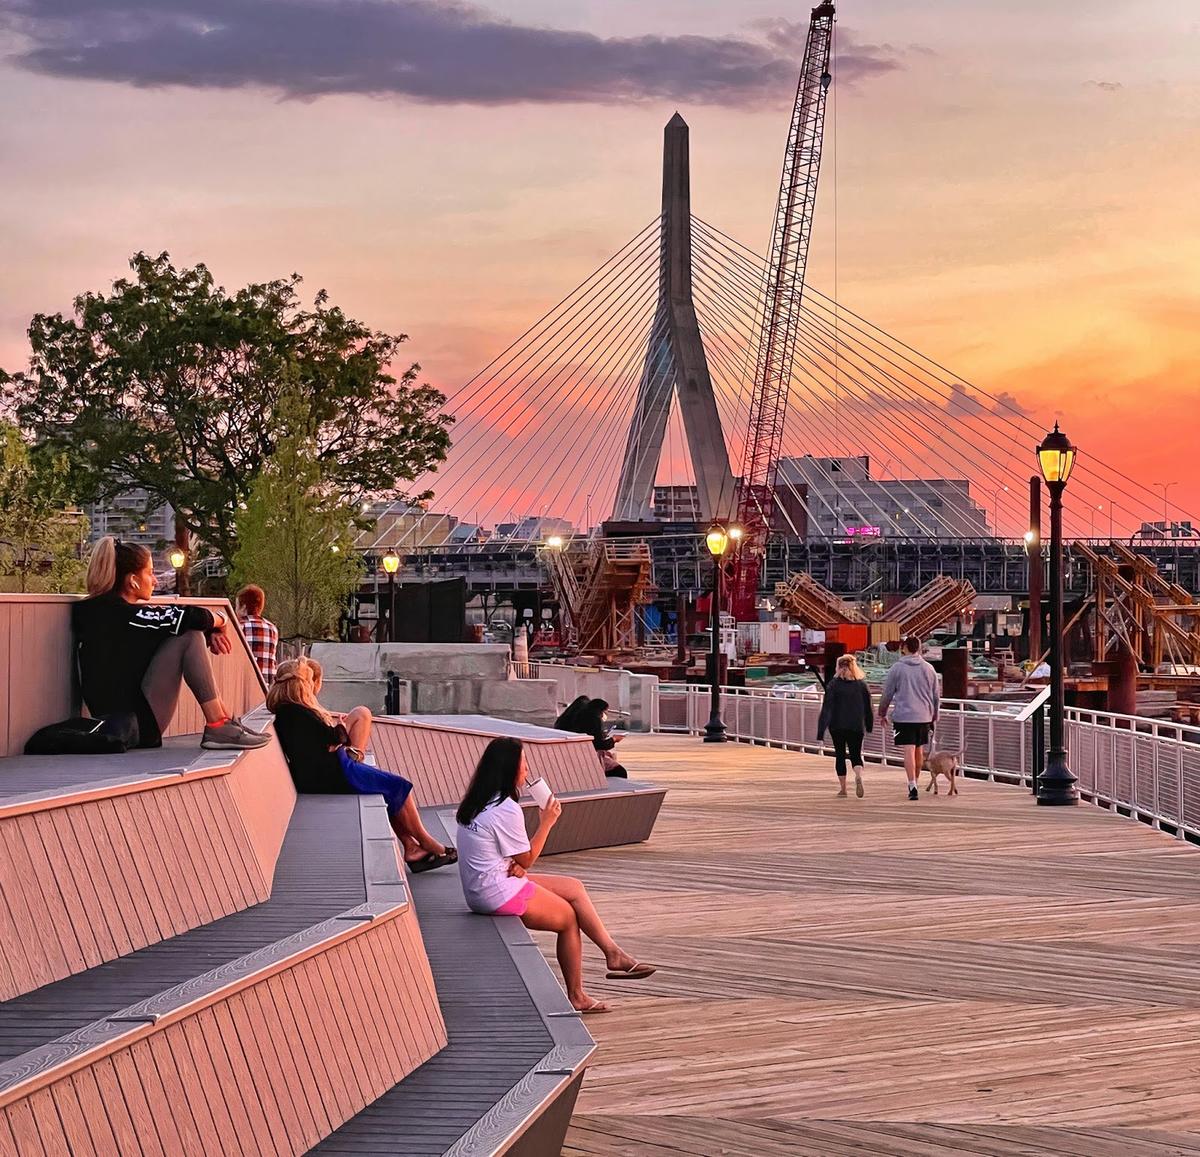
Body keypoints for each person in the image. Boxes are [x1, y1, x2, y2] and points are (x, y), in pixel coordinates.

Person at [455, 737, 655, 1014]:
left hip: (483, 886)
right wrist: (547, 822)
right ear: (510, 770)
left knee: (573, 887)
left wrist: (517, 864)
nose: (526, 771)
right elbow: (528, 859)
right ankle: (578, 996)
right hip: (495, 893)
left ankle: (613, 953)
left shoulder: (478, 801)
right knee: (569, 920)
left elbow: (508, 855)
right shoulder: (505, 808)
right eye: (523, 765)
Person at [72, 537, 271, 751]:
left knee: (184, 632)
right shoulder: (126, 615)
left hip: (116, 723)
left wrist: (209, 628)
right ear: (133, 581)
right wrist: (221, 619)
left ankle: (224, 721)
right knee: (189, 637)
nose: (155, 581)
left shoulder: (97, 612)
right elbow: (188, 617)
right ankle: (219, 725)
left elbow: (173, 624)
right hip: (136, 726)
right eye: (150, 573)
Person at [267, 658, 454, 872]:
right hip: (332, 774)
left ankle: (412, 847)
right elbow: (332, 739)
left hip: (327, 769)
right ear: (301, 684)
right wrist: (340, 729)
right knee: (399, 786)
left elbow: (327, 740)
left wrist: (337, 734)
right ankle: (426, 840)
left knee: (389, 789)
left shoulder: (289, 712)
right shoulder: (296, 712)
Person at [878, 635, 940, 801]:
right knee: (919, 749)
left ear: (904, 648)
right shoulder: (929, 668)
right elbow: (936, 695)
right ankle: (917, 780)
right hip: (924, 715)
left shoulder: (896, 668)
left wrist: (882, 713)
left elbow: (887, 694)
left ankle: (912, 785)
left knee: (908, 749)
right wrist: (935, 715)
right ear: (919, 648)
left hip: (903, 716)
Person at [816, 654, 874, 798]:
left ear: (838, 667)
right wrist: (869, 724)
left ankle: (843, 790)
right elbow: (869, 708)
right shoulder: (862, 685)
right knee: (856, 754)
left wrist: (821, 731)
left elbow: (827, 708)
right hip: (856, 725)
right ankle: (858, 775)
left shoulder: (833, 685)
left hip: (837, 726)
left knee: (840, 755)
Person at [237, 584, 279, 686]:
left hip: (246, 685)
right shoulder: (272, 628)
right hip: (268, 686)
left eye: (237, 606)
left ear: (244, 607)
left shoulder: (239, 627)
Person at [574, 698, 627, 779]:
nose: (605, 714)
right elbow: (599, 744)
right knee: (620, 771)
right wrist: (614, 739)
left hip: (581, 753)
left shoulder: (579, 718)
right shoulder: (594, 720)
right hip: (590, 756)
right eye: (605, 711)